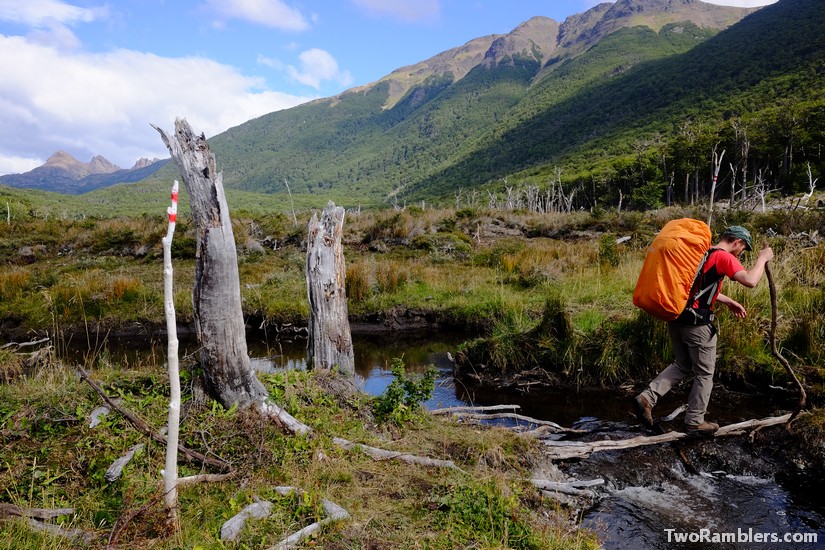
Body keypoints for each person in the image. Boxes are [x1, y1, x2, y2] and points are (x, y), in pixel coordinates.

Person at [634, 225, 774, 435]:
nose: (741, 254)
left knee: (682, 364)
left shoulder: (701, 253)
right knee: (705, 373)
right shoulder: (724, 257)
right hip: (697, 325)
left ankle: (647, 397)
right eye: (743, 249)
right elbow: (751, 281)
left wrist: (727, 301)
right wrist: (762, 258)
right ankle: (695, 421)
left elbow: (695, 289)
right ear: (737, 242)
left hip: (677, 317)